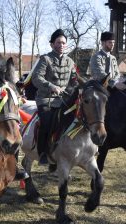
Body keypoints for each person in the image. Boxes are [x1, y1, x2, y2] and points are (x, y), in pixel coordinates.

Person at [31, 29, 78, 166]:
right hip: (46, 99)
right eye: (58, 42)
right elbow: (36, 78)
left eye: (64, 42)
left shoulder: (70, 61)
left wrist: (75, 88)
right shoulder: (45, 59)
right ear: (52, 44)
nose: (61, 45)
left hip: (64, 100)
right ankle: (43, 153)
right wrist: (51, 86)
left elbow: (74, 80)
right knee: (46, 123)